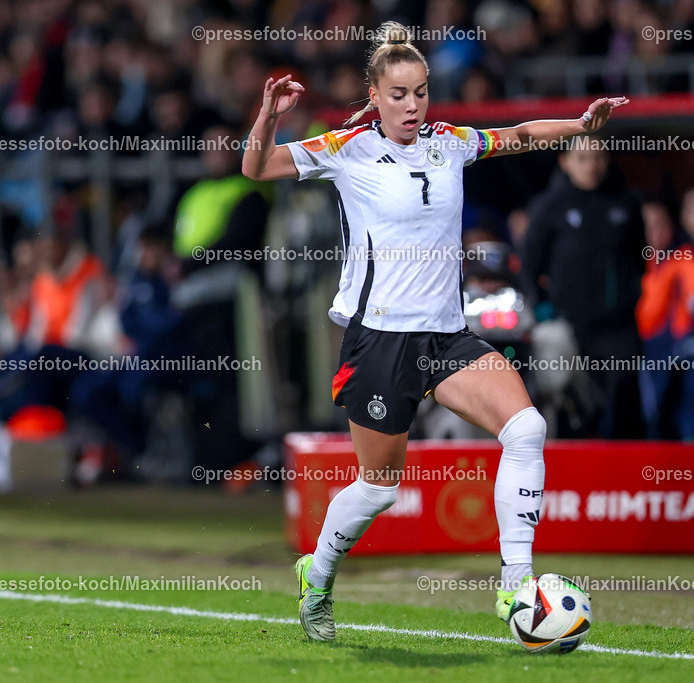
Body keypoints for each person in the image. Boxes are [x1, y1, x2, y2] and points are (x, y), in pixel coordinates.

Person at [241, 21, 627, 642]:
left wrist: (579, 126)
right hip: (381, 341)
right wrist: (268, 114)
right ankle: (319, 572)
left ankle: (516, 586)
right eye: (398, 95)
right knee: (377, 488)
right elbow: (257, 168)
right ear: (374, 93)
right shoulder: (347, 148)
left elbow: (521, 135)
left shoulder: (450, 141)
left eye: (421, 92)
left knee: (527, 427)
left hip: (447, 339)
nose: (413, 105)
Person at [521, 138, 646, 439]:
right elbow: (528, 265)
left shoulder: (626, 204)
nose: (591, 165)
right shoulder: (548, 207)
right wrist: (541, 308)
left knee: (621, 395)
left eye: (598, 157)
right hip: (568, 325)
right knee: (570, 400)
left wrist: (629, 298)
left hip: (617, 326)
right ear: (565, 161)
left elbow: (638, 259)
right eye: (583, 158)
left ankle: (621, 473)